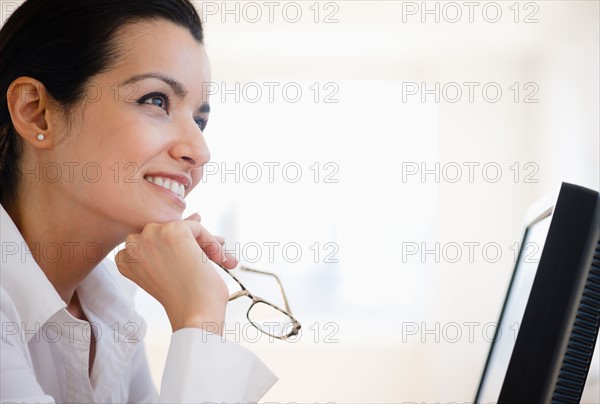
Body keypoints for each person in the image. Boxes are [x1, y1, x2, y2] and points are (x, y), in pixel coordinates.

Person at [0, 0, 278, 401]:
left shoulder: (109, 310)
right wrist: (199, 321)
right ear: (36, 113)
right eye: (157, 100)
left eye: (199, 120)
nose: (199, 150)